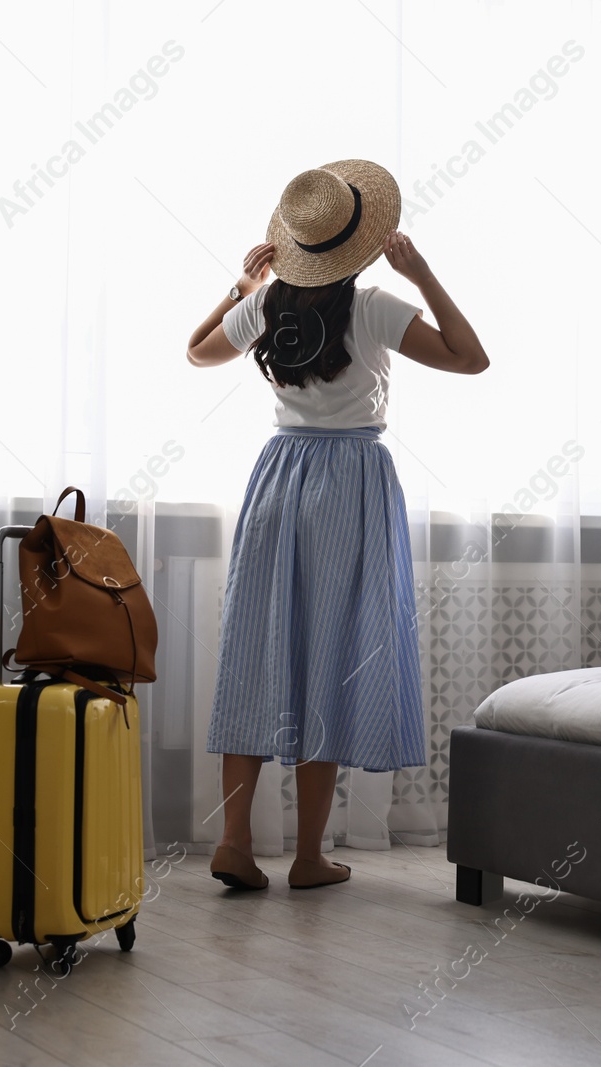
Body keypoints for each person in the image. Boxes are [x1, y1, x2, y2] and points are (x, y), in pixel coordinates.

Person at [185, 159, 488, 890]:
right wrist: (424, 276)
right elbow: (471, 358)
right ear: (359, 242)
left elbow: (196, 351)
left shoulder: (265, 308)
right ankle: (310, 855)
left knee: (259, 650)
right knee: (330, 651)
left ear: (292, 245)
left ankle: (233, 841)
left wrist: (241, 285)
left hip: (277, 479)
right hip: (350, 482)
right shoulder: (377, 305)